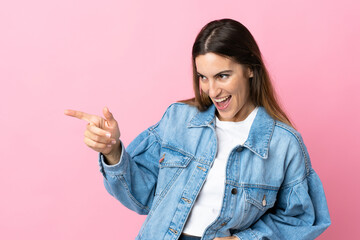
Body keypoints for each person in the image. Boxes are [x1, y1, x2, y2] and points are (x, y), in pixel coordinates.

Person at [64, 18, 331, 240]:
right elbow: (143, 198)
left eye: (222, 76)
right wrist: (113, 152)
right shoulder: (179, 119)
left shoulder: (283, 144)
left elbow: (303, 220)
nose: (212, 91)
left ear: (250, 69)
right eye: (203, 77)